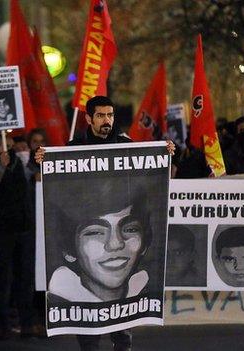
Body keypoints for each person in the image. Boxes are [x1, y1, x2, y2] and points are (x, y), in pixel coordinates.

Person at [35, 96, 175, 351]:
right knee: (89, 340)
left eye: (110, 115)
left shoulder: (126, 146)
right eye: (100, 116)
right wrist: (45, 160)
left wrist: (164, 156)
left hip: (125, 304)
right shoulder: (73, 147)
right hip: (84, 307)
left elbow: (147, 178)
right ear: (88, 118)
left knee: (123, 334)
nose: (107, 121)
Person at [48, 180, 152, 302]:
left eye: (130, 229)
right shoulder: (56, 302)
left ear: (143, 245)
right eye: (95, 232)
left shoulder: (148, 291)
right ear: (69, 251)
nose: (116, 244)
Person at [0, 133, 37, 340]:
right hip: (1, 231)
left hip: (23, 228)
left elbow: (31, 178)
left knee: (25, 277)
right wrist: (0, 167)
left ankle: (27, 323)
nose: (12, 151)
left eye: (14, 146)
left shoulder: (20, 164)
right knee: (2, 279)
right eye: (7, 146)